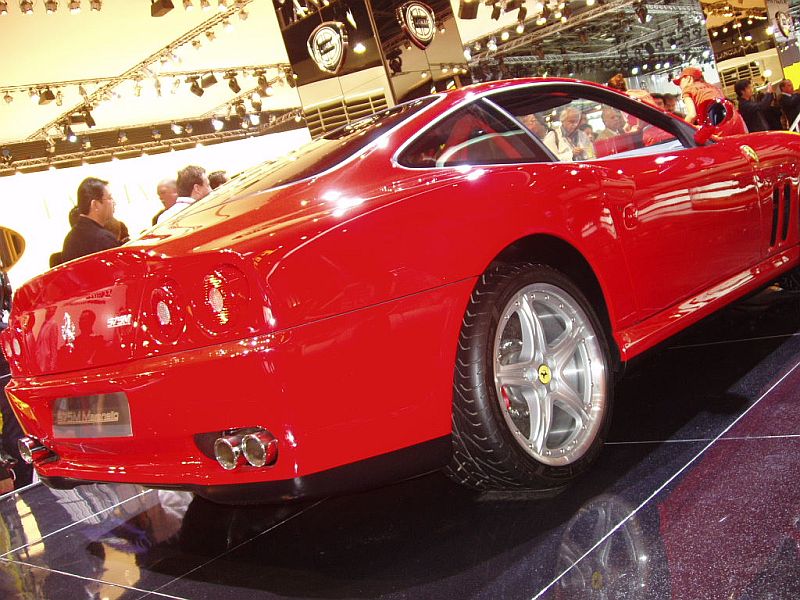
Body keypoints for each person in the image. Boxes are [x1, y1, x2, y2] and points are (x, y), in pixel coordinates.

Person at [59, 177, 121, 264]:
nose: (114, 202)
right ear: (95, 204)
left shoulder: (69, 239)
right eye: (110, 198)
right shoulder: (103, 239)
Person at [672, 66, 747, 135]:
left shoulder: (688, 89)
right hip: (737, 123)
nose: (680, 85)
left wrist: (680, 132)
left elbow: (692, 115)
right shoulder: (713, 87)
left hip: (719, 128)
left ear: (688, 78)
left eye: (680, 81)